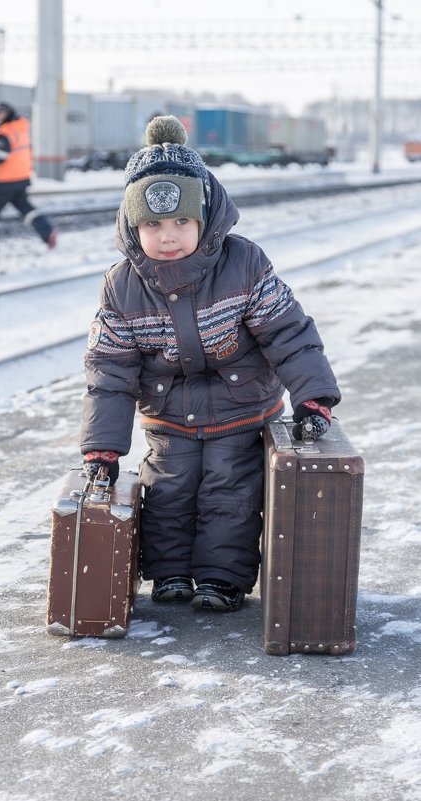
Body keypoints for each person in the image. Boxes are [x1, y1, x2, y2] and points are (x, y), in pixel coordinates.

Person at [80, 115, 340, 613]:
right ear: (133, 227)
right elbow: (109, 374)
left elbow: (288, 333)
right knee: (169, 493)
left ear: (206, 219)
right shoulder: (121, 286)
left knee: (230, 493)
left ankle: (222, 579)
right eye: (153, 224)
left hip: (240, 412)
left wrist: (313, 397)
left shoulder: (244, 265)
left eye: (181, 221)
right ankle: (171, 573)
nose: (169, 236)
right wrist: (103, 450)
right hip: (168, 417)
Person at [0, 101, 57, 253]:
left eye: (0, 113)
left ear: (7, 113)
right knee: (27, 209)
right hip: (20, 179)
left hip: (1, 181)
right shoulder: (20, 128)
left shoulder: (5, 132)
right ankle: (47, 232)